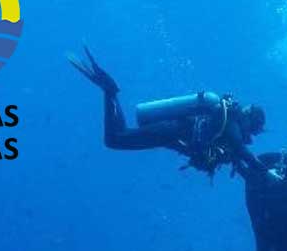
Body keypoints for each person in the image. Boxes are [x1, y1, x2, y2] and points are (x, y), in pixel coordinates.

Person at [69, 47, 266, 178]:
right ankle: (110, 90)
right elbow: (242, 151)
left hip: (171, 137)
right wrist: (267, 173)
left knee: (116, 139)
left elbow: (240, 161)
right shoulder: (231, 119)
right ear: (249, 119)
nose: (250, 135)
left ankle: (110, 92)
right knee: (115, 139)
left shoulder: (230, 135)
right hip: (173, 130)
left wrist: (258, 174)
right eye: (253, 130)